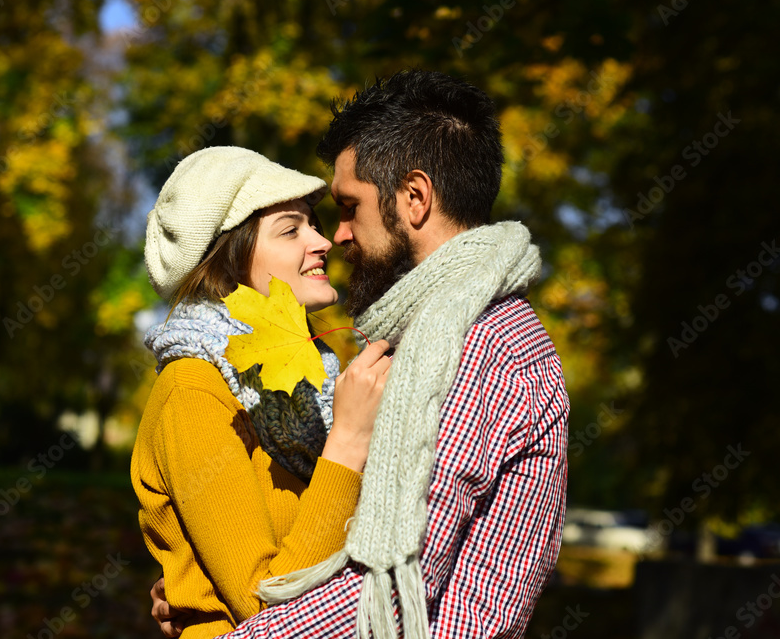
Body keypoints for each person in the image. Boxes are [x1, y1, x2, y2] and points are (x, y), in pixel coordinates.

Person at [150, 70, 569, 638]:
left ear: (414, 199)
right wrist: (194, 586)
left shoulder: (471, 346)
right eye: (293, 229)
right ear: (234, 259)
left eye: (345, 209)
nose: (334, 237)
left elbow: (381, 591)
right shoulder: (406, 351)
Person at [132, 146, 393, 639]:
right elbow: (265, 608)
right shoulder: (194, 389)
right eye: (291, 230)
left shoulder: (309, 382)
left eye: (313, 224)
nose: (322, 242)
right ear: (230, 261)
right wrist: (348, 442)